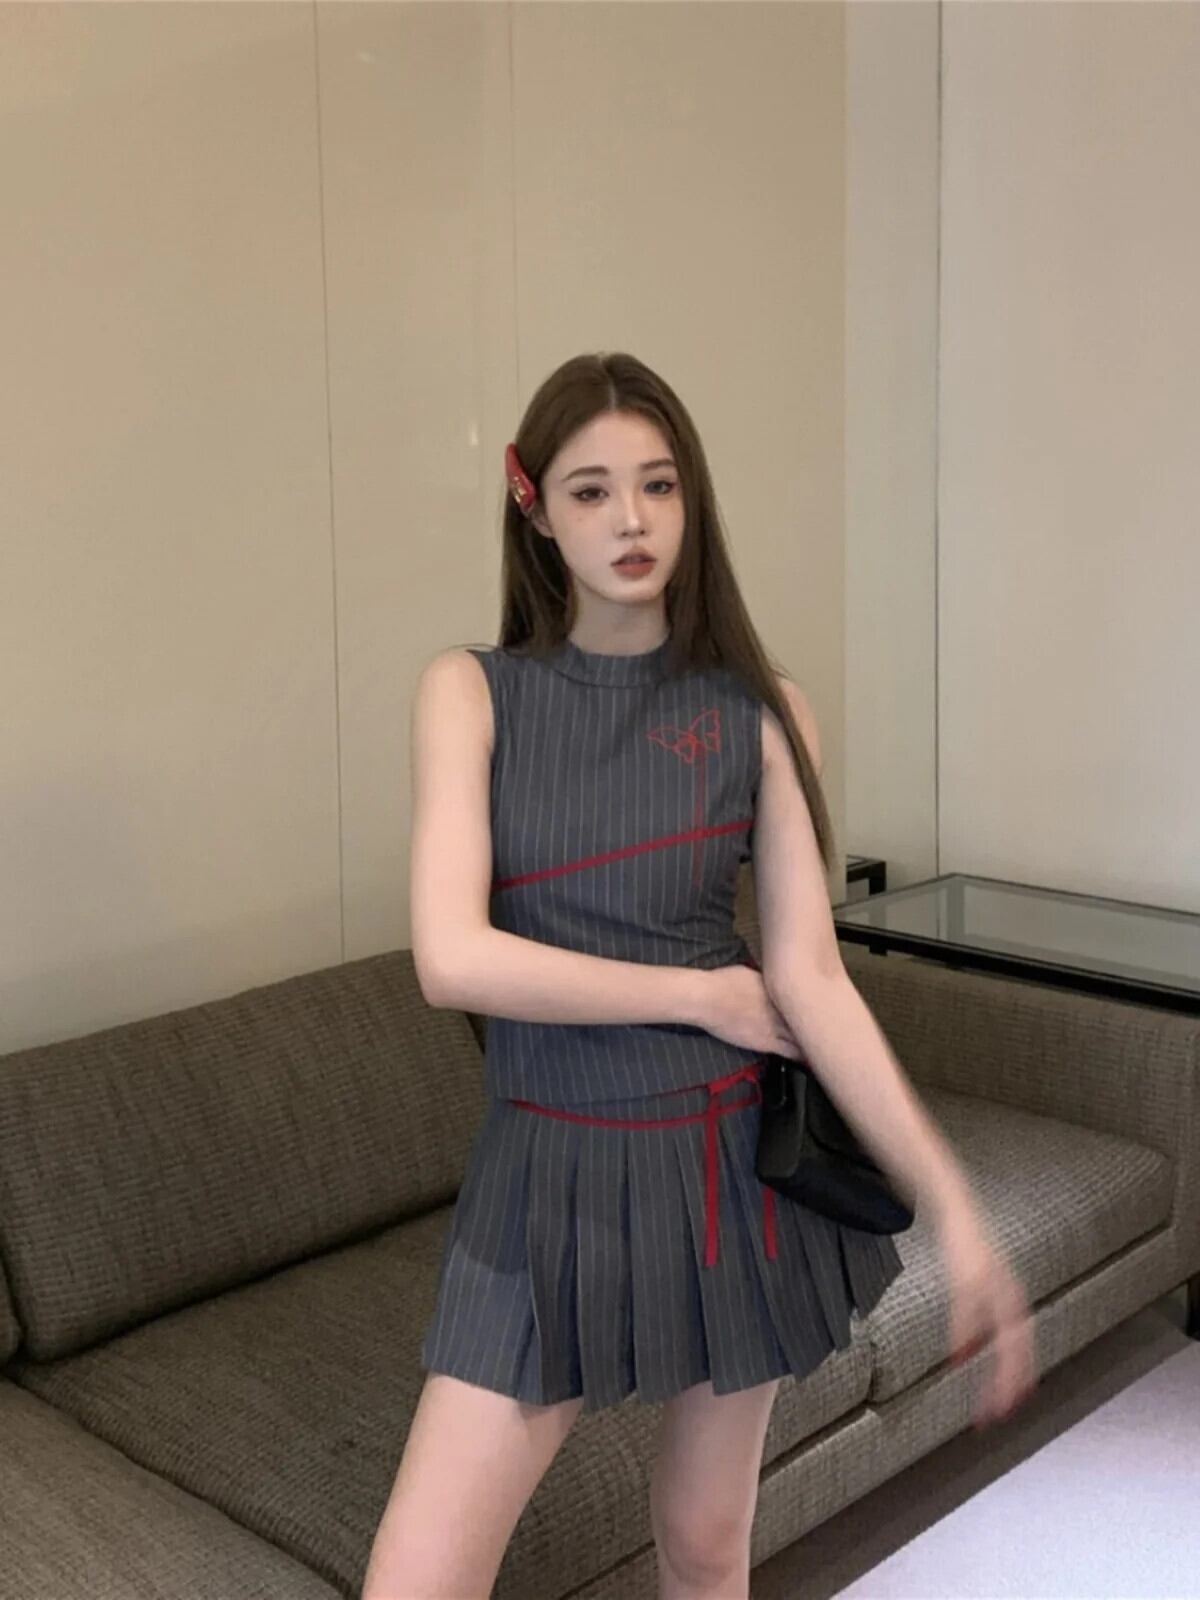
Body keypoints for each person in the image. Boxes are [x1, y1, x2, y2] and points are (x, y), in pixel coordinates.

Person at [363, 351, 1037, 1600]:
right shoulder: (470, 693)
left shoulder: (764, 711)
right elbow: (450, 958)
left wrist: (955, 1207)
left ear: (692, 497)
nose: (630, 519)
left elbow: (814, 980)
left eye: (658, 484)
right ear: (535, 508)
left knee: (707, 1545)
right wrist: (695, 993)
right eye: (590, 490)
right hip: (544, 1175)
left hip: (724, 1168)